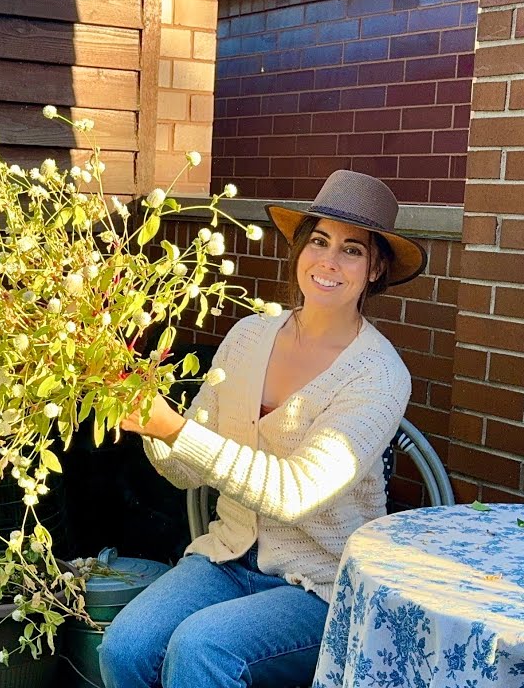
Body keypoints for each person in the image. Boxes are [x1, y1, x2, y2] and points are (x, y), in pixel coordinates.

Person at [99, 170, 428, 688]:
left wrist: (175, 428)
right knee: (126, 646)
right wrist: (152, 424)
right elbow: (186, 473)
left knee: (202, 649)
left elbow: (294, 494)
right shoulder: (249, 335)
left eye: (352, 250)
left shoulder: (380, 375)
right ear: (299, 249)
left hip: (322, 587)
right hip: (227, 555)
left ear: (375, 269)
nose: (328, 261)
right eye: (318, 241)